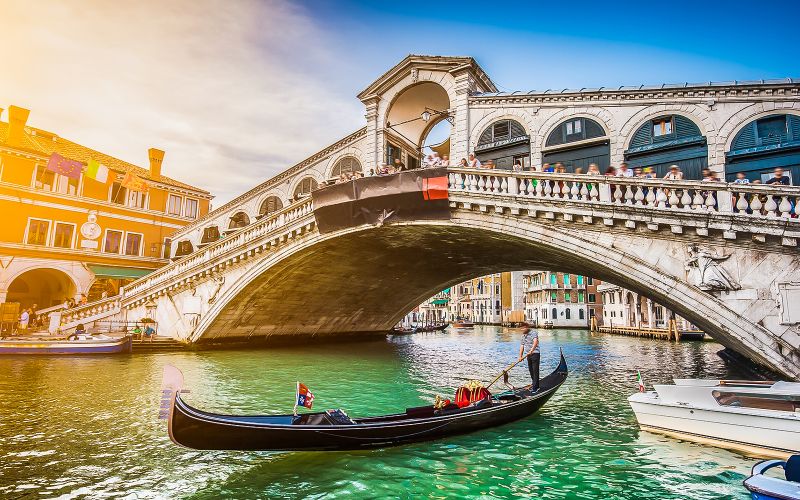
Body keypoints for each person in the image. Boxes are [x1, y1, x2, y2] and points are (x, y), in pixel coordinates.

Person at [518, 327, 540, 391]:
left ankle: (535, 388)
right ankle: (535, 384)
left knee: (535, 371)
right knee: (531, 371)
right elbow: (522, 346)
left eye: (522, 328)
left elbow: (535, 342)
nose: (521, 330)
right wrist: (520, 356)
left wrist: (531, 351)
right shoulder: (523, 336)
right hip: (528, 355)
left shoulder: (533, 333)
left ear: (526, 328)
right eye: (521, 329)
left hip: (535, 353)